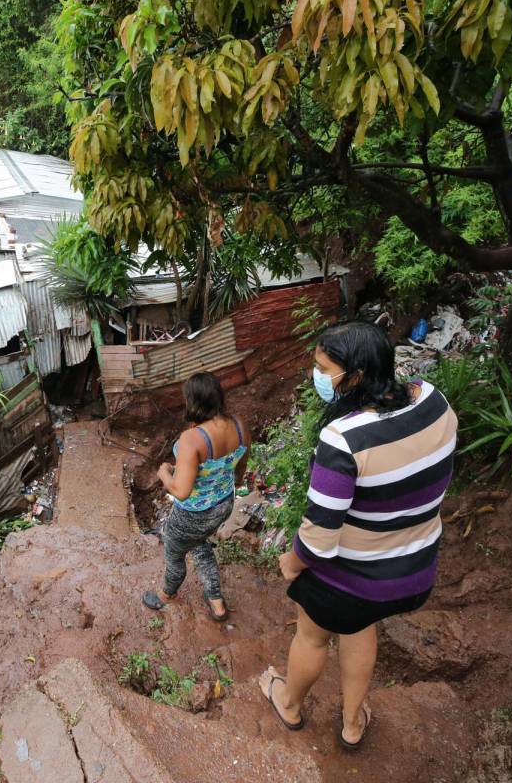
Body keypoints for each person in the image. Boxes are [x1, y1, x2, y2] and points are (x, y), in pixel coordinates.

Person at [259, 321, 457, 750]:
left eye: (323, 368)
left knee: (312, 634)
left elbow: (318, 539)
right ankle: (352, 723)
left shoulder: (343, 439)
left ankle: (289, 703)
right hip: (414, 572)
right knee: (359, 624)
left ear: (356, 376)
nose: (317, 376)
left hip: (353, 578)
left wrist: (290, 564)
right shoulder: (434, 401)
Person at [142, 372, 250, 623]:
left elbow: (181, 491)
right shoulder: (239, 424)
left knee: (174, 551)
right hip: (223, 504)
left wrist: (164, 473)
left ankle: (166, 594)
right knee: (200, 544)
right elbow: (241, 466)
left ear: (192, 401)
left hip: (192, 513)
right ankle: (216, 601)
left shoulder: (191, 439)